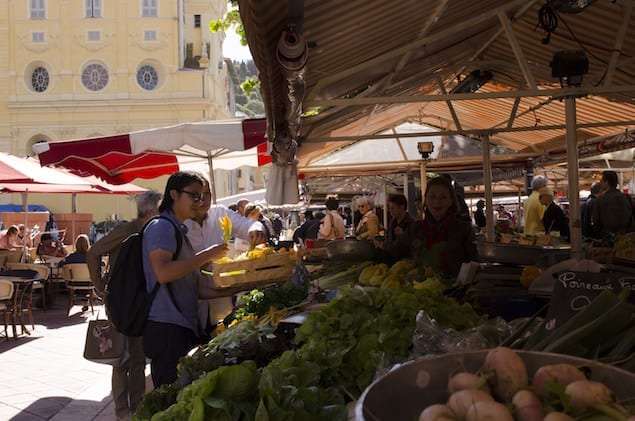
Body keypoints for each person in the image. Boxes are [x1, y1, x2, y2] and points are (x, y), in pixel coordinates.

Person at [142, 171, 245, 388]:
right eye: (194, 196)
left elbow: (194, 288)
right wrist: (207, 255)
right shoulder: (161, 227)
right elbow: (163, 273)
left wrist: (235, 288)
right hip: (166, 326)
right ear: (174, 194)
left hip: (181, 324)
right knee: (169, 394)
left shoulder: (178, 230)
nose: (199, 202)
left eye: (202, 196)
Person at [86, 190, 163, 420]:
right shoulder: (126, 230)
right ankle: (121, 410)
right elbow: (93, 253)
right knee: (119, 357)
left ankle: (137, 407)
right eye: (159, 212)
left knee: (138, 358)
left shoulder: (150, 233)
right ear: (149, 212)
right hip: (119, 302)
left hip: (139, 303)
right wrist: (100, 285)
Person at [184, 182, 267, 341]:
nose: (203, 199)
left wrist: (255, 230)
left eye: (207, 193)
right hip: (190, 308)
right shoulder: (180, 224)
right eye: (197, 195)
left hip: (221, 305)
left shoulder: (219, 213)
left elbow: (247, 224)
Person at [412, 176, 477, 278]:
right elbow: (396, 251)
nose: (437, 201)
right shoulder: (415, 229)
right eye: (432, 196)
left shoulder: (463, 229)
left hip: (455, 291)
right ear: (426, 200)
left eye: (443, 197)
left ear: (451, 201)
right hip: (418, 291)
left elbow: (474, 263)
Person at [592, 170, 635, 238]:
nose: (601, 183)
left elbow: (596, 223)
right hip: (625, 239)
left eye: (602, 181)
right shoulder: (627, 198)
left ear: (607, 183)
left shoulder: (600, 200)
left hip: (607, 239)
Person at [376, 193, 417, 262]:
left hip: (404, 262)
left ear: (402, 207)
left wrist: (401, 236)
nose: (390, 210)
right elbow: (389, 240)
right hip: (391, 259)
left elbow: (408, 247)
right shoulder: (393, 222)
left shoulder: (411, 224)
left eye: (393, 208)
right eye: (389, 208)